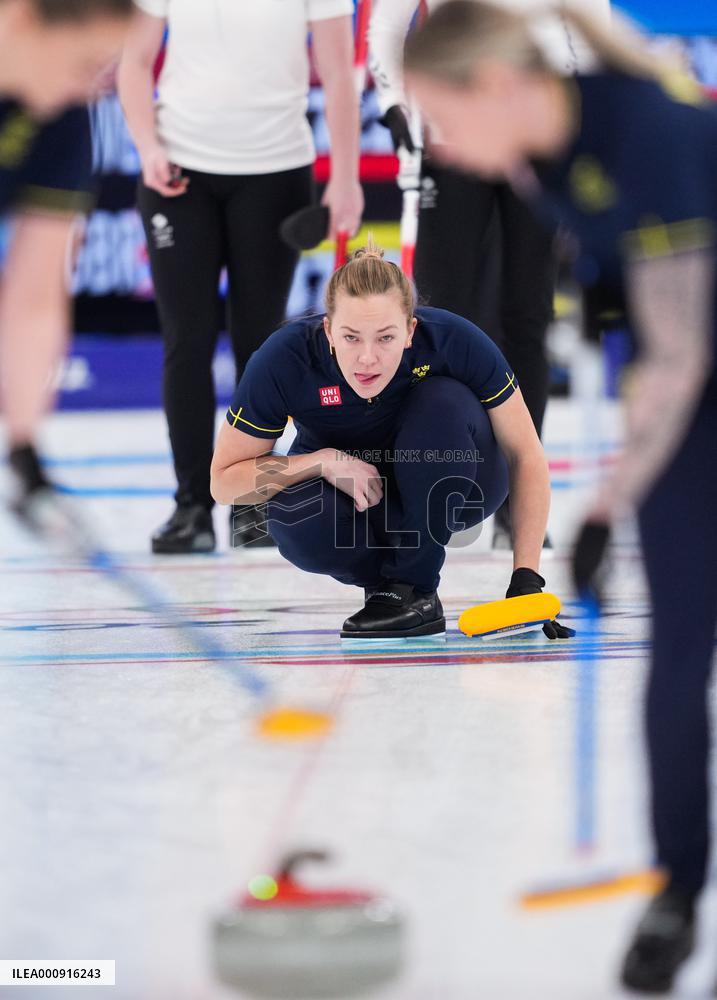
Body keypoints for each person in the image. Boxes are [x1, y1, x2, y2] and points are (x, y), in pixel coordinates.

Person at [404, 2, 717, 992]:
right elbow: (649, 330)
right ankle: (676, 892)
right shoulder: (539, 162)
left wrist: (604, 504)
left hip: (694, 365)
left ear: (497, 84)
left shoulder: (654, 132)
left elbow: (678, 355)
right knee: (680, 648)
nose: (440, 145)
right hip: (691, 381)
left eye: (444, 117)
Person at [210, 239, 574, 640]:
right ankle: (391, 591)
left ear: (410, 331)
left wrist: (527, 579)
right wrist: (321, 461)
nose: (367, 358)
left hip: (464, 481)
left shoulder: (454, 340)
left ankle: (415, 585)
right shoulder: (284, 360)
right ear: (328, 330)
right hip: (360, 500)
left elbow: (525, 453)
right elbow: (224, 482)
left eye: (385, 338)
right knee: (295, 517)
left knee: (442, 401)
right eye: (351, 337)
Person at [117, 0, 363, 555]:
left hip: (276, 172)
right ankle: (191, 506)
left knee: (260, 344)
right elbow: (134, 61)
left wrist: (345, 176)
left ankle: (251, 504)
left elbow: (338, 71)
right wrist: (148, 148)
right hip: (179, 172)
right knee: (187, 338)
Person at [368, 0, 611, 549]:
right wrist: (395, 106)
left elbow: (590, 30)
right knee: (438, 321)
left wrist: (577, 120)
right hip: (452, 137)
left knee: (527, 314)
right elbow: (386, 23)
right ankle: (439, 485)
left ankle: (520, 500)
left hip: (535, 139)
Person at [0, 0, 133, 522]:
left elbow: (34, 295)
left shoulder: (63, 115)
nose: (90, 88)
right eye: (85, 64)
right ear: (20, 16)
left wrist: (24, 449)